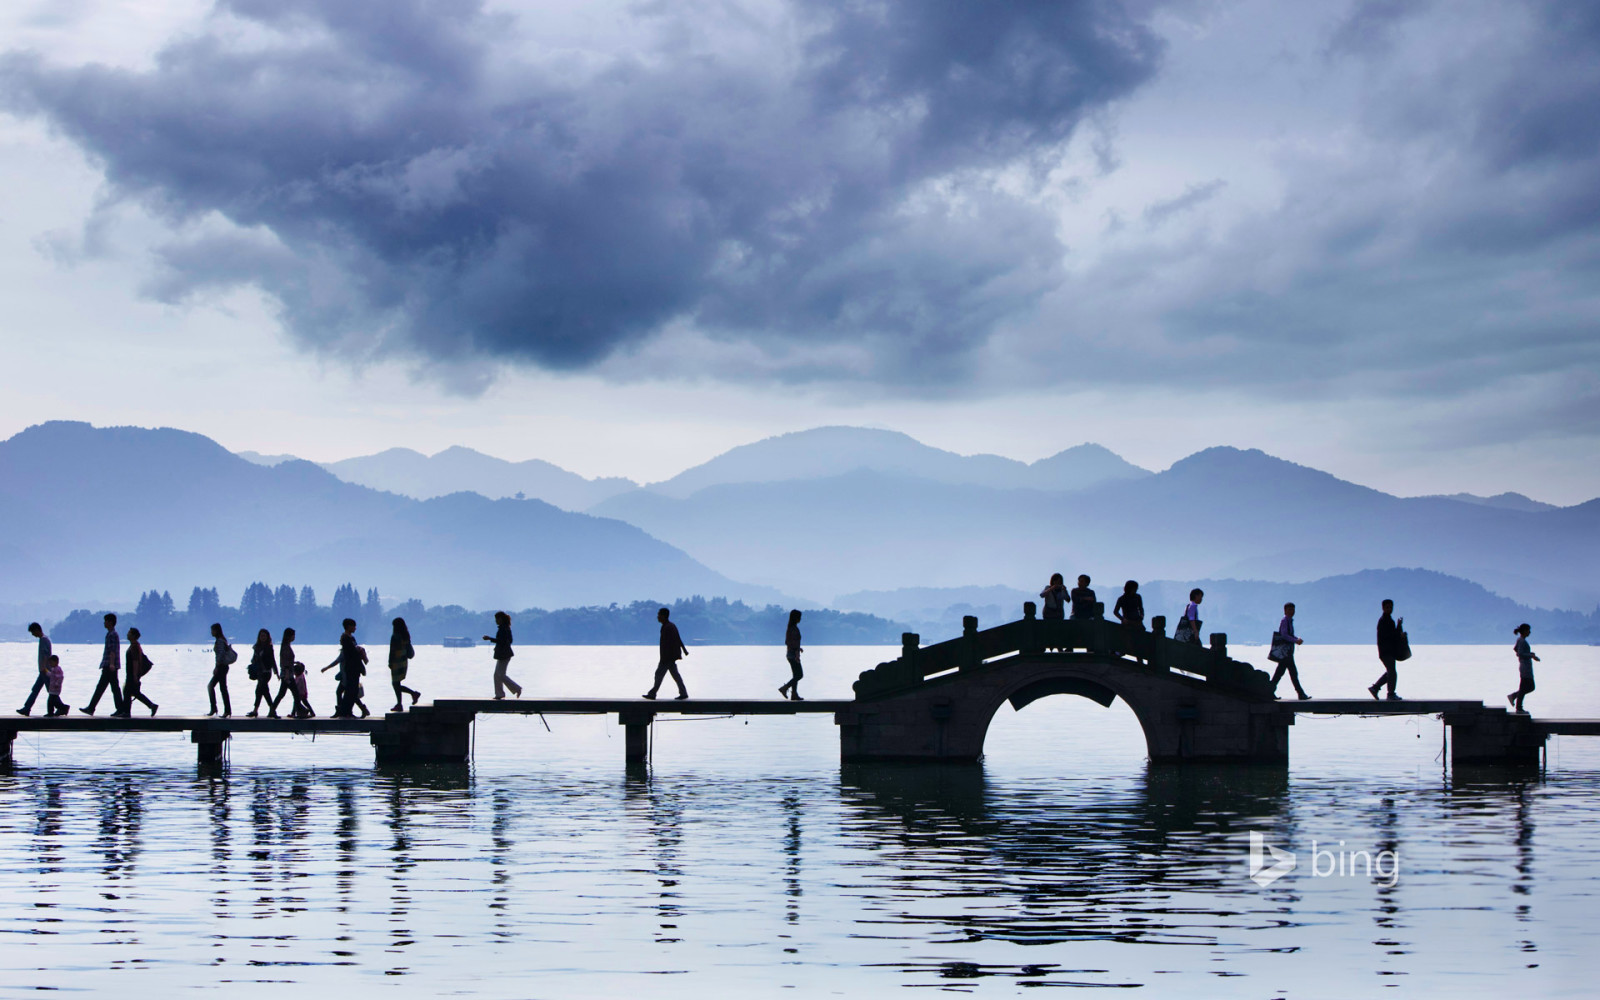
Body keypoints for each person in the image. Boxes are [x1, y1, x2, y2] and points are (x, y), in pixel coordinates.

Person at [81, 612, 124, 716]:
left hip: (109, 665)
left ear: (110, 622)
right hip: (109, 665)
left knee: (106, 688)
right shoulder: (110, 634)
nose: (104, 623)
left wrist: (112, 664)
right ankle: (120, 709)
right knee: (109, 687)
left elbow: (112, 651)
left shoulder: (112, 634)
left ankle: (92, 708)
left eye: (105, 621)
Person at [322, 618, 366, 717]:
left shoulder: (352, 639)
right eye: (353, 626)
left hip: (352, 670)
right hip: (348, 670)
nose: (355, 628)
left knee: (349, 692)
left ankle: (346, 711)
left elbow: (354, 653)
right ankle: (347, 711)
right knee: (349, 692)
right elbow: (350, 654)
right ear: (348, 626)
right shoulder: (346, 638)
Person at [644, 607, 689, 700]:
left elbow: (673, 640)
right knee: (675, 675)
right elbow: (678, 638)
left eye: (659, 615)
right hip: (669, 656)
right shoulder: (669, 626)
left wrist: (665, 657)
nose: (657, 617)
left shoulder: (668, 627)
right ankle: (683, 693)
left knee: (659, 674)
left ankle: (652, 693)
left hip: (667, 657)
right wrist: (684, 650)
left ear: (663, 616)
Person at [1269, 602, 1310, 700]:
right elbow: (1284, 635)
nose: (1291, 612)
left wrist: (1296, 639)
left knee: (1280, 673)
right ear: (1285, 611)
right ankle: (1300, 694)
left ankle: (1268, 692)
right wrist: (1295, 640)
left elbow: (1289, 635)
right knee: (1292, 673)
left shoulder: (1289, 621)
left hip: (1287, 652)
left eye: (1293, 610)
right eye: (1289, 610)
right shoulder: (1285, 621)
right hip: (1285, 653)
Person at [120, 626, 158, 716]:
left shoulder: (134, 646)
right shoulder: (135, 645)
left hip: (132, 674)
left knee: (127, 692)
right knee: (134, 692)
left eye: (129, 633)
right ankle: (151, 705)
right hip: (132, 673)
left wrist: (134, 675)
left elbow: (135, 661)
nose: (127, 634)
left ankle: (126, 712)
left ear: (133, 635)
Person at [482, 611, 521, 700]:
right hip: (504, 654)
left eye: (497, 619)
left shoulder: (503, 628)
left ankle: (517, 688)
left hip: (504, 654)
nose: (496, 621)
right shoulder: (505, 628)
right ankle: (499, 694)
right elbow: (509, 641)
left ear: (501, 619)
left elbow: (502, 641)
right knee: (497, 675)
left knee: (501, 675)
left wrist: (489, 638)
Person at [270, 627, 307, 717]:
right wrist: (287, 675)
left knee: (283, 694)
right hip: (288, 675)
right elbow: (286, 662)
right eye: (293, 635)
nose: (294, 637)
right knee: (295, 694)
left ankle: (272, 711)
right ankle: (300, 712)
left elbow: (287, 660)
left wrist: (294, 662)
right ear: (289, 636)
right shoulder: (286, 647)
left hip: (286, 674)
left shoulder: (285, 646)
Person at [1369, 599, 1402, 700]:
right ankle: (1390, 694)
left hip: (1387, 651)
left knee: (1390, 671)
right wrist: (1399, 628)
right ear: (1383, 608)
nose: (1389, 609)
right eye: (1387, 607)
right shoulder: (1384, 621)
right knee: (1392, 671)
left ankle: (1375, 688)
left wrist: (1399, 626)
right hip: (1386, 651)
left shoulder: (1389, 620)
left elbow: (1393, 635)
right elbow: (1391, 636)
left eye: (1391, 607)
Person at [17, 622, 52, 716]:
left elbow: (45, 655)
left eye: (33, 632)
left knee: (51, 692)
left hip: (45, 670)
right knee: (35, 690)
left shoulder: (44, 640)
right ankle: (27, 708)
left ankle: (62, 707)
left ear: (37, 630)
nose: (33, 635)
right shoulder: (43, 639)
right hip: (43, 670)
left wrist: (44, 668)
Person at [389, 617, 420, 712]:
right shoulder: (406, 635)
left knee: (395, 683)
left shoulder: (395, 636)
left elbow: (392, 650)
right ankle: (401, 703)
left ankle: (408, 697)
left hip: (396, 661)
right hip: (403, 661)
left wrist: (390, 662)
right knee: (397, 683)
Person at [1508, 623, 1539, 714]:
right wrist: (1531, 655)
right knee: (1529, 687)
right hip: (1525, 668)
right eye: (1528, 630)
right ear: (1524, 631)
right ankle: (1518, 706)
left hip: (1525, 667)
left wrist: (1529, 654)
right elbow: (1520, 653)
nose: (1530, 632)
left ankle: (1515, 699)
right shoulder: (1522, 641)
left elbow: (1516, 649)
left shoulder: (1520, 640)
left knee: (1527, 687)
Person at [246, 628, 277, 717]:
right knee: (262, 691)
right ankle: (270, 710)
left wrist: (276, 671)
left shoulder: (269, 647)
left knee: (261, 690)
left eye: (264, 636)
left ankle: (268, 710)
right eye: (261, 636)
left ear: (267, 637)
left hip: (266, 672)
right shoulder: (257, 647)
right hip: (259, 671)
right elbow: (254, 659)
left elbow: (272, 659)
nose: (263, 637)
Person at [207, 622, 234, 717]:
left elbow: (221, 655)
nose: (211, 632)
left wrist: (217, 667)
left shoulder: (220, 641)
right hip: (223, 667)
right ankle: (224, 710)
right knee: (221, 688)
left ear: (216, 630)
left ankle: (219, 709)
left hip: (221, 667)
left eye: (212, 630)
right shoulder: (221, 640)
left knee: (213, 687)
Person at [778, 609, 804, 701]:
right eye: (799, 617)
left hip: (790, 654)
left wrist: (798, 648)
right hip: (793, 655)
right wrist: (796, 651)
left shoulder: (790, 628)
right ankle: (784, 688)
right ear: (795, 618)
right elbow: (792, 642)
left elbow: (788, 642)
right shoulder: (793, 629)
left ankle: (794, 694)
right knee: (799, 675)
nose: (800, 619)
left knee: (796, 675)